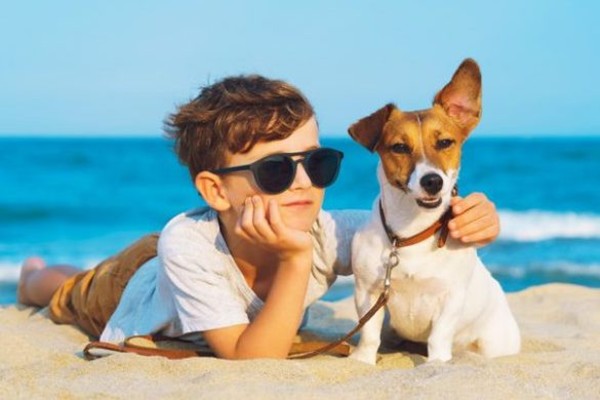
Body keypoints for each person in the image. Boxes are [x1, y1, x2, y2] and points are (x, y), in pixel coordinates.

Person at [18, 75, 500, 359]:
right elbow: (251, 359)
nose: (303, 184)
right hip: (139, 282)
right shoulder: (189, 247)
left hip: (186, 266)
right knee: (68, 292)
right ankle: (32, 275)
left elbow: (408, 235)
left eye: (317, 163)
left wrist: (476, 217)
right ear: (215, 190)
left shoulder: (333, 232)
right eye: (273, 170)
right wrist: (295, 261)